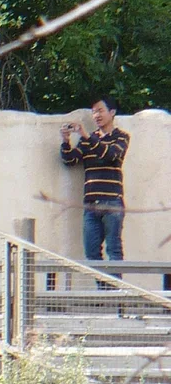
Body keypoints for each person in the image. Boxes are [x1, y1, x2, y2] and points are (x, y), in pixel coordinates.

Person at [61, 96, 129, 262]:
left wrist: (86, 136)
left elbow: (111, 155)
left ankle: (116, 289)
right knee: (91, 254)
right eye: (93, 112)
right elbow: (70, 160)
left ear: (112, 112)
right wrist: (65, 141)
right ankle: (103, 289)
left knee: (114, 250)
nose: (96, 115)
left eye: (100, 111)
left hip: (112, 201)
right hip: (91, 204)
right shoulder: (88, 139)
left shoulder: (121, 137)